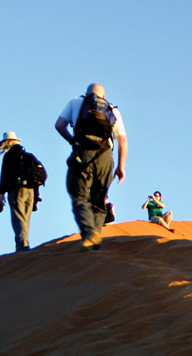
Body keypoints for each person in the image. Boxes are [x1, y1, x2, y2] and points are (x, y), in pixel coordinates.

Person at [55, 83, 128, 251]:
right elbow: (122, 140)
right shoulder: (112, 109)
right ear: (104, 95)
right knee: (99, 199)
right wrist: (121, 166)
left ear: (86, 93)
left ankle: (89, 233)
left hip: (83, 153)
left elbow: (59, 125)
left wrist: (72, 141)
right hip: (105, 157)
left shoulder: (75, 103)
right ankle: (95, 236)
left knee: (79, 196)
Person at [0, 131, 40, 252]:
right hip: (31, 190)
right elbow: (37, 175)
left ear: (8, 142)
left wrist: (1, 192)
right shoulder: (28, 156)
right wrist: (37, 194)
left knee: (18, 217)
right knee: (25, 218)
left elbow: (4, 175)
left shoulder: (9, 156)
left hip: (16, 190)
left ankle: (23, 245)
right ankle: (24, 243)